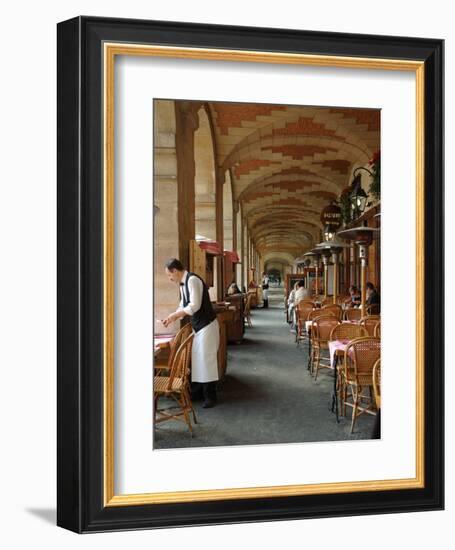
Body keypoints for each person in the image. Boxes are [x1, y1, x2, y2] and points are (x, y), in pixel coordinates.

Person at [162, 258, 220, 408]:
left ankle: (211, 396)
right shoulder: (183, 283)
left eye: (169, 275)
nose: (170, 278)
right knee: (199, 360)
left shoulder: (193, 280)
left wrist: (175, 316)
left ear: (175, 271)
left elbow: (194, 306)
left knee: (207, 361)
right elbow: (183, 305)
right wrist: (171, 317)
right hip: (198, 326)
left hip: (207, 325)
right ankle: (199, 392)